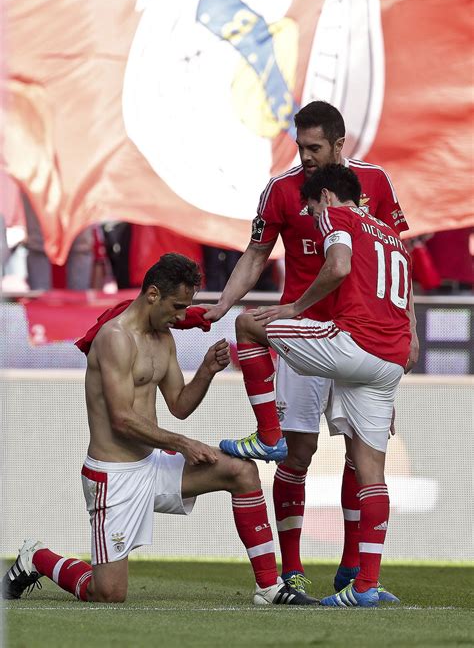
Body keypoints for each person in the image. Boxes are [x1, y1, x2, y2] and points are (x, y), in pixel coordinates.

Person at [1, 253, 316, 607]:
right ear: (152, 294)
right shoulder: (114, 338)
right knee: (107, 594)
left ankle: (269, 587)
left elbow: (179, 405)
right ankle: (38, 557)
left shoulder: (163, 338)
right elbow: (122, 418)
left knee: (242, 472)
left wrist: (207, 371)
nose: (182, 316)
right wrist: (181, 444)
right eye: (178, 306)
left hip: (151, 466)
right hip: (113, 477)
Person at [204, 101, 418, 595]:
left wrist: (409, 329)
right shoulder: (281, 191)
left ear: (340, 145)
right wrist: (221, 304)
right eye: (300, 147)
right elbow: (256, 254)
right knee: (297, 454)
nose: (305, 157)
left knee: (356, 455)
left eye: (315, 148)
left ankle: (350, 571)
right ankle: (294, 568)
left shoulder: (375, 183)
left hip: (355, 333)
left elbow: (395, 257)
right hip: (309, 334)